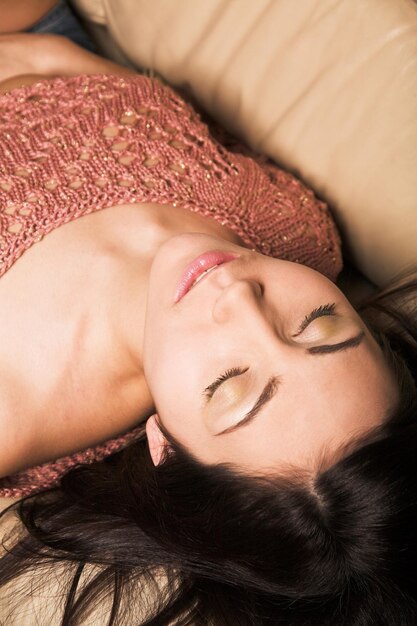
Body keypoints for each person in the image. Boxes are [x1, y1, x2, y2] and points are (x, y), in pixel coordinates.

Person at [0, 34, 416, 626]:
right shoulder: (296, 230)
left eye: (230, 385)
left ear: (164, 447)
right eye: (320, 325)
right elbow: (47, 60)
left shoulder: (13, 401)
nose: (242, 300)